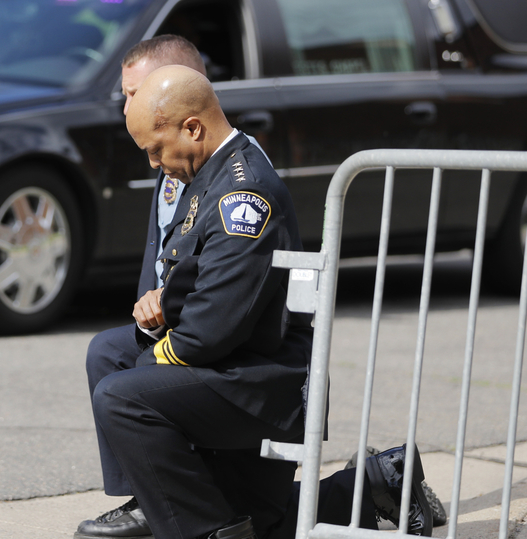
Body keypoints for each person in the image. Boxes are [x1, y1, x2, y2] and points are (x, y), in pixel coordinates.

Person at [77, 57, 437, 539]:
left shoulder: (243, 196)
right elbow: (191, 281)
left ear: (192, 128)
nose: (153, 163)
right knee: (109, 352)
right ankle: (155, 502)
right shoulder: (205, 172)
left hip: (264, 383)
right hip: (236, 363)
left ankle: (200, 527)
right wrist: (159, 312)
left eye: (156, 149)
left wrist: (150, 361)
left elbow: (209, 331)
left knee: (122, 397)